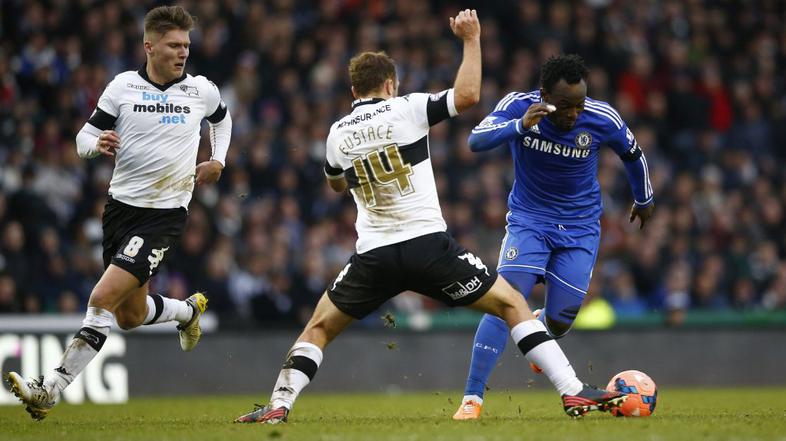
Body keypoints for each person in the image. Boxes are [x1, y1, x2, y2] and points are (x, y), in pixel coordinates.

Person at [234, 11, 625, 425]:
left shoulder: (336, 135)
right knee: (513, 304)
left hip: (374, 257)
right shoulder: (407, 108)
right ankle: (572, 391)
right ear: (390, 84)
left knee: (318, 328)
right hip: (428, 249)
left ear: (353, 89)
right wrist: (471, 38)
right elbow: (468, 95)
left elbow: (335, 184)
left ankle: (279, 404)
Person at [5, 5, 232, 421]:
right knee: (128, 315)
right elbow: (82, 139)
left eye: (186, 45)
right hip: (120, 211)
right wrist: (97, 145)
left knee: (101, 298)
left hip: (164, 215)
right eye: (173, 45)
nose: (182, 53)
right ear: (149, 45)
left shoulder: (201, 90)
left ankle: (50, 388)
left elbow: (222, 118)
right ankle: (187, 311)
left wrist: (218, 159)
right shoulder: (123, 87)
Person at [452, 54, 654, 420]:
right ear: (544, 94)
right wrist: (518, 126)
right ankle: (472, 398)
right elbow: (475, 140)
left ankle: (542, 328)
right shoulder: (518, 106)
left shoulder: (601, 116)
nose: (573, 114)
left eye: (578, 105)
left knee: (562, 319)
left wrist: (644, 198)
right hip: (530, 221)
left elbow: (633, 153)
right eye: (564, 105)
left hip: (580, 228)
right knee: (504, 301)